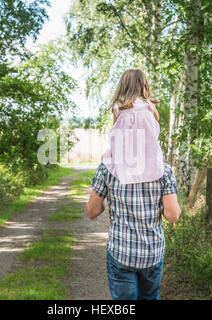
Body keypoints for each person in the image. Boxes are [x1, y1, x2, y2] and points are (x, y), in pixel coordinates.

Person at [85, 69, 181, 300]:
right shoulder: (163, 171)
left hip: (121, 253)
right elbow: (173, 216)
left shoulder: (108, 167)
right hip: (151, 255)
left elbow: (91, 211)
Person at [101, 69, 166, 185]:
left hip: (124, 155)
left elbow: (115, 130)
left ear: (123, 87)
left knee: (107, 162)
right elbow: (156, 119)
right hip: (147, 153)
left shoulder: (118, 107)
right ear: (143, 85)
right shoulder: (149, 105)